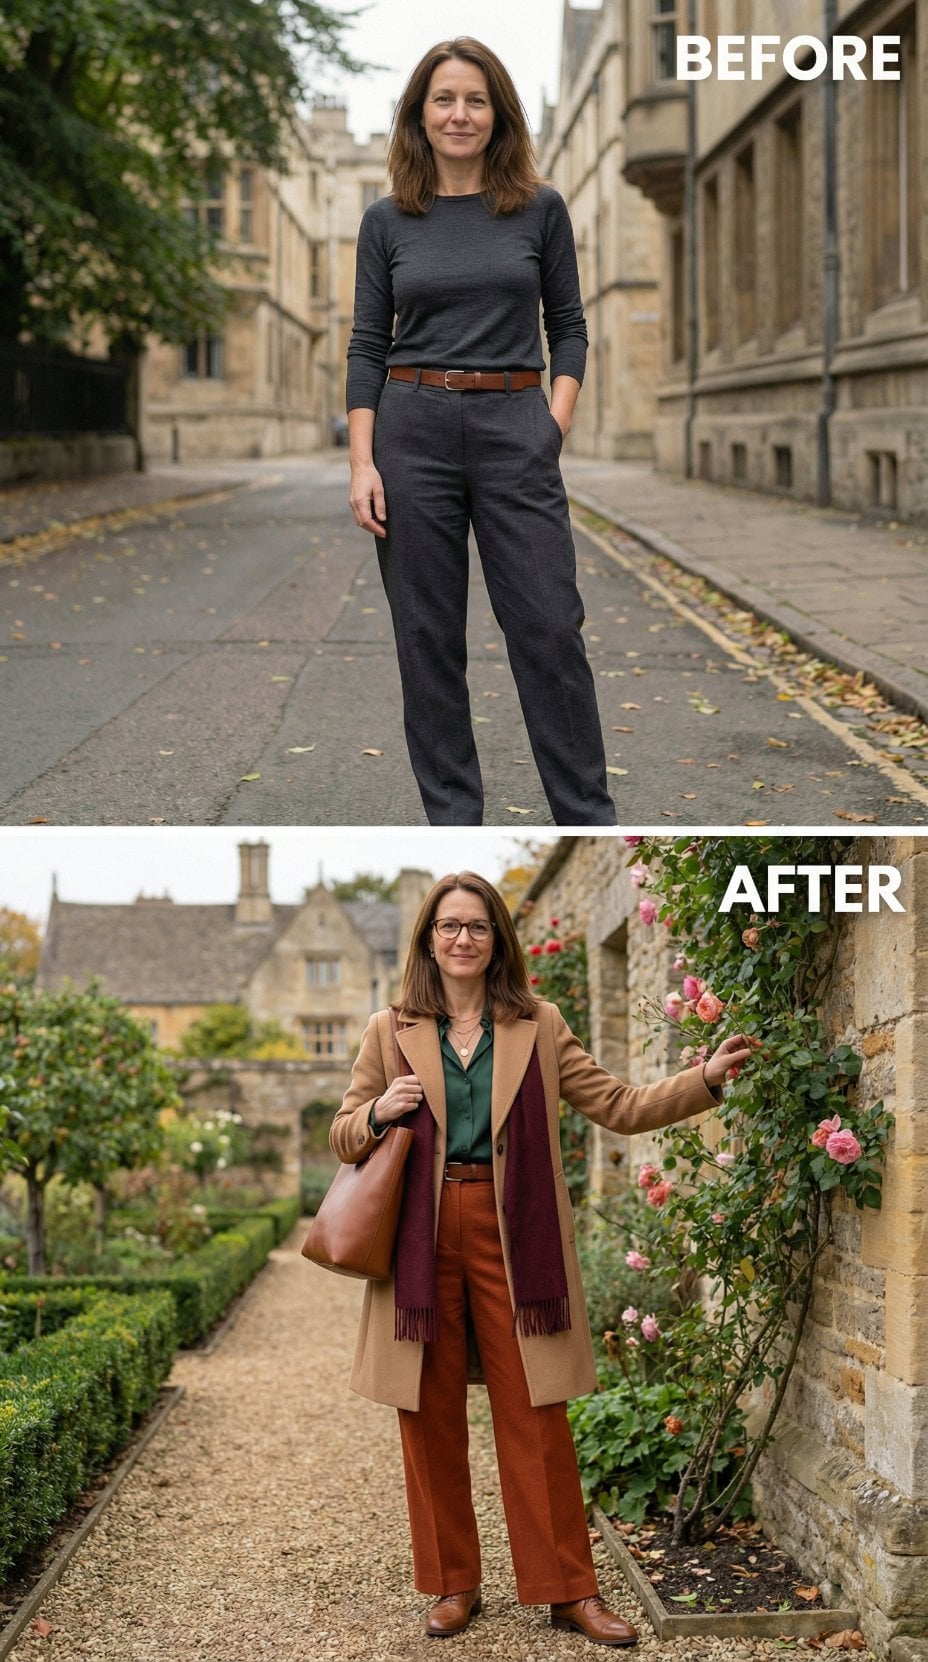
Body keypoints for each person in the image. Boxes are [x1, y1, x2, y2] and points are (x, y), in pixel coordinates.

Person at [330, 872, 754, 1645]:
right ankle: (454, 1584)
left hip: (513, 1235)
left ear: (498, 941)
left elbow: (619, 1105)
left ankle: (568, 1591)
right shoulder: (388, 1029)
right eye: (450, 926)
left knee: (538, 1413)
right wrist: (375, 1113)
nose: (463, 938)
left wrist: (706, 1080)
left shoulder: (537, 1023)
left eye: (478, 927)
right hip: (418, 1242)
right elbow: (342, 1132)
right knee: (428, 1414)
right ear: (430, 938)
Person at [345, 37, 617, 828]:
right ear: (419, 116)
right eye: (443, 99)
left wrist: (549, 426)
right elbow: (368, 345)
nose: (459, 113)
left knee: (548, 627)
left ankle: (587, 816)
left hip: (514, 426)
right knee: (428, 643)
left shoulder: (539, 207)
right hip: (412, 429)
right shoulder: (387, 220)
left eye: (474, 99)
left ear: (497, 114)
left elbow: (568, 328)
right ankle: (453, 823)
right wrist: (362, 461)